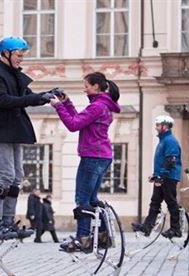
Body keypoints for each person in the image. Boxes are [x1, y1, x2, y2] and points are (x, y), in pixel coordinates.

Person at [0, 36, 56, 240]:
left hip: (12, 130)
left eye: (22, 55)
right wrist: (37, 97)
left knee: (16, 179)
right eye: (18, 55)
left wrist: (48, 95)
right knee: (5, 176)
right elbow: (4, 101)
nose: (21, 59)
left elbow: (28, 96)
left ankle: (6, 222)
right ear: (6, 53)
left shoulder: (13, 75)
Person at [49, 72, 120, 252]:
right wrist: (67, 103)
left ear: (96, 86)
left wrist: (58, 106)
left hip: (93, 157)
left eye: (86, 85)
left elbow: (73, 125)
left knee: (82, 199)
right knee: (92, 199)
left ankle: (83, 238)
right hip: (101, 156)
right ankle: (103, 237)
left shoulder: (97, 106)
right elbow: (80, 120)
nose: (84, 88)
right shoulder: (102, 105)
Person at [131, 115, 183, 239]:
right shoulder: (163, 140)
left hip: (169, 176)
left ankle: (176, 229)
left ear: (165, 127)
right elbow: (161, 161)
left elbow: (171, 160)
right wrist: (155, 176)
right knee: (155, 202)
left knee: (171, 201)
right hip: (163, 176)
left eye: (158, 125)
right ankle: (147, 227)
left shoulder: (170, 140)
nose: (156, 127)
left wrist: (162, 175)